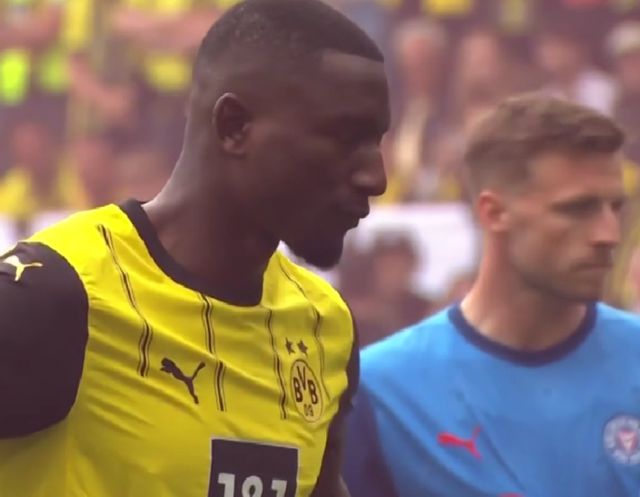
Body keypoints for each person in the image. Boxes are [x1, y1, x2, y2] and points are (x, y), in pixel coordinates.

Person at [0, 1, 390, 496]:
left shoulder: (323, 325)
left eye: (377, 142)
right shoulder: (57, 296)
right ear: (234, 126)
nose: (376, 177)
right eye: (344, 138)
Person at [343, 94, 639, 497]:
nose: (609, 235)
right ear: (494, 213)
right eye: (577, 209)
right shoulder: (383, 394)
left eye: (615, 208)